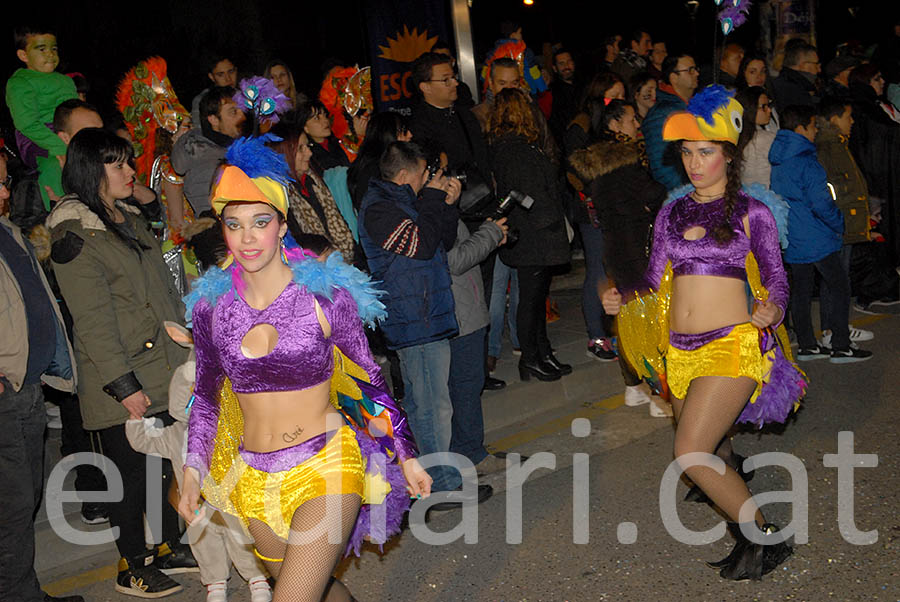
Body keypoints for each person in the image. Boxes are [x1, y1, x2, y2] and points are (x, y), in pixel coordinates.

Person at [179, 136, 431, 602]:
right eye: (234, 225)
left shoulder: (324, 297)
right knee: (310, 588)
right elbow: (208, 396)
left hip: (326, 464)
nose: (248, 238)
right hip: (253, 478)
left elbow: (367, 381)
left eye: (260, 222)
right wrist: (193, 467)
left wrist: (406, 452)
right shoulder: (211, 308)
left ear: (281, 225)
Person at [602, 85, 802, 580]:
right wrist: (620, 297)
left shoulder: (751, 212)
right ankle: (737, 496)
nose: (694, 163)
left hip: (733, 344)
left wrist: (771, 310)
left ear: (729, 156)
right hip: (680, 350)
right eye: (687, 152)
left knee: (689, 451)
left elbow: (777, 279)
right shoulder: (673, 210)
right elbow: (653, 280)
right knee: (709, 444)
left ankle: (764, 536)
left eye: (706, 152)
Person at [47, 128, 195, 597]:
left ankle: (169, 544)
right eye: (118, 165)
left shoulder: (126, 218)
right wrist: (123, 384)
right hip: (123, 373)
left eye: (129, 162)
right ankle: (132, 563)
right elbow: (91, 321)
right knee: (130, 474)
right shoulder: (74, 235)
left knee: (163, 466)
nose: (131, 171)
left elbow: (160, 292)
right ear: (92, 172)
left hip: (161, 365)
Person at [358, 141, 492, 505]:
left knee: (425, 402)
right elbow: (418, 243)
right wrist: (433, 199)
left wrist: (445, 205)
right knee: (433, 405)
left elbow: (440, 241)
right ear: (404, 175)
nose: (426, 181)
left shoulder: (403, 201)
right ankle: (442, 484)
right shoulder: (380, 208)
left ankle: (424, 479)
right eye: (422, 175)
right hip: (412, 319)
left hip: (426, 314)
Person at [126, 324, 272, 602]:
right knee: (203, 544)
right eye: (188, 397)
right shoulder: (174, 434)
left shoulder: (229, 427)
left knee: (242, 537)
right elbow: (144, 442)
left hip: (231, 501)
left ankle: (256, 578)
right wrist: (135, 421)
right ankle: (215, 582)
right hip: (196, 507)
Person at [0, 152, 84, 602]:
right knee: (12, 509)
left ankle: (23, 590)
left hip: (27, 388)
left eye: (5, 181)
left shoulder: (8, 231)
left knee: (22, 503)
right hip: (7, 393)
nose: (6, 192)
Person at [569, 100, 669, 415]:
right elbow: (655, 194)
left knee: (626, 321)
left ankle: (632, 386)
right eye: (630, 120)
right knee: (650, 322)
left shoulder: (597, 164)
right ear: (614, 125)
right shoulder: (624, 161)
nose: (637, 125)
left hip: (614, 248)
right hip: (637, 249)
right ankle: (656, 393)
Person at [769, 104, 873, 363]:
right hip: (816, 235)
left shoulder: (779, 160)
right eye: (813, 126)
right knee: (839, 286)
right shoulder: (807, 162)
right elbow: (822, 202)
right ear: (802, 128)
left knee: (801, 290)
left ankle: (807, 345)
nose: (816, 131)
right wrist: (838, 223)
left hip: (793, 235)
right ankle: (841, 345)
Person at [488, 88, 571, 381]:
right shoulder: (514, 149)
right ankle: (531, 359)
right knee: (530, 301)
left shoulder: (517, 145)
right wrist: (547, 217)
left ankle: (542, 352)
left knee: (536, 300)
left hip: (532, 234)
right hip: (533, 236)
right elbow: (523, 194)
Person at [814, 98, 883, 342]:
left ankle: (838, 326)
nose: (851, 121)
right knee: (836, 279)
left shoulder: (838, 144)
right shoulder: (828, 147)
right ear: (834, 120)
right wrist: (839, 217)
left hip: (844, 220)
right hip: (838, 223)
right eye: (847, 116)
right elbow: (832, 189)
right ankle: (834, 331)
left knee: (839, 277)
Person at [266, 118, 356, 259]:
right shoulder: (277, 195)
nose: (309, 153)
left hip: (344, 260)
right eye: (301, 149)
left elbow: (341, 225)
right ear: (282, 153)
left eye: (308, 146)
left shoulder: (314, 180)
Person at [5, 25, 77, 175]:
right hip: (39, 139)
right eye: (42, 49)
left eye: (54, 49)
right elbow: (27, 124)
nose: (50, 54)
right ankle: (56, 198)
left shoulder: (66, 81)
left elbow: (79, 112)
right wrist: (61, 148)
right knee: (54, 166)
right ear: (23, 55)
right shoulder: (19, 83)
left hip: (71, 135)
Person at [172, 86, 244, 217]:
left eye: (242, 111)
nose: (242, 117)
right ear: (214, 120)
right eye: (233, 112)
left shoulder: (239, 146)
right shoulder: (203, 156)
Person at [643, 53, 699, 190]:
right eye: (690, 70)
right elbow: (661, 165)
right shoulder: (662, 113)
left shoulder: (693, 107)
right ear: (674, 77)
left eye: (696, 69)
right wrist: (687, 193)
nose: (696, 73)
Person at [564, 71, 626, 154]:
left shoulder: (622, 119)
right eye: (614, 96)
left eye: (623, 96)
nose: (621, 101)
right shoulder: (582, 125)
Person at [735, 87, 777, 187]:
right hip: (767, 196)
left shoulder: (735, 136)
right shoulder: (764, 138)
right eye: (764, 107)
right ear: (750, 108)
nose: (769, 111)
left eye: (768, 105)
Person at [191, 55, 238, 129]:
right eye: (220, 75)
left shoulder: (247, 95)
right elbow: (198, 131)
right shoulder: (201, 100)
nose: (228, 78)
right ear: (211, 77)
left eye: (231, 72)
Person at [772, 42, 821, 108]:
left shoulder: (784, 83)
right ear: (803, 65)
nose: (819, 70)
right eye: (816, 64)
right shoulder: (794, 91)